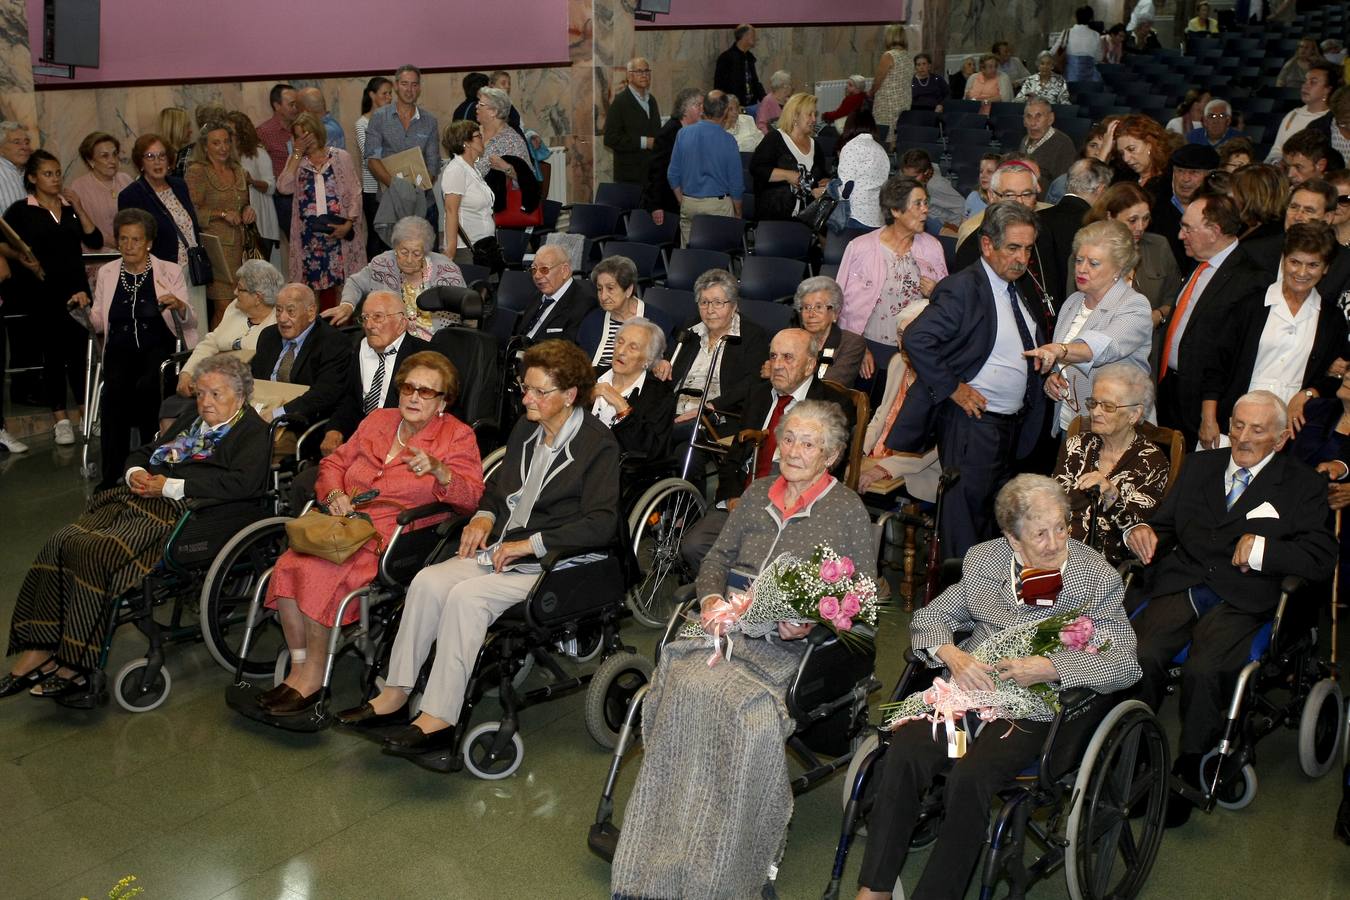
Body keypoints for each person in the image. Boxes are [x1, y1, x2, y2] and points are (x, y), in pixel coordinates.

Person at [612, 401, 874, 899]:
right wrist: (711, 599)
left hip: (791, 654)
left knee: (745, 718)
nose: (792, 451)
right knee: (682, 693)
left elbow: (862, 601)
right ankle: (654, 860)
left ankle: (728, 872)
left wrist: (812, 619)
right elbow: (715, 560)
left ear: (833, 456)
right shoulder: (756, 494)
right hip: (722, 635)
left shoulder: (847, 511)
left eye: (808, 443)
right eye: (788, 437)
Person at [855, 474, 1140, 899]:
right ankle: (874, 889)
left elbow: (1125, 663)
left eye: (1061, 527)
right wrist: (953, 655)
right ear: (1011, 538)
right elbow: (930, 619)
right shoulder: (984, 562)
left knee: (969, 779)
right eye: (1039, 533)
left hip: (1037, 711)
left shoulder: (1095, 579)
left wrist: (1051, 667)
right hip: (968, 699)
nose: (1055, 541)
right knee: (909, 752)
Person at [335, 340, 620, 752]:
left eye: (539, 392)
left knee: (467, 598)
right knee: (428, 582)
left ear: (570, 396)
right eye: (526, 388)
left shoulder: (598, 445)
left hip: (557, 562)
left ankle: (439, 718)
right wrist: (485, 516)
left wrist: (530, 545)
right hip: (504, 547)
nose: (527, 398)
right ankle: (396, 694)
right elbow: (496, 493)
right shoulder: (526, 430)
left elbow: (601, 524)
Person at [1125, 391, 1337, 827]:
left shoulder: (1302, 485)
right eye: (1237, 425)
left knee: (1205, 670)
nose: (1242, 437)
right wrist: (1142, 530)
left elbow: (1321, 557)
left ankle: (1189, 768)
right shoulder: (1202, 466)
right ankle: (1135, 753)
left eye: (1257, 430)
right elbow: (1163, 525)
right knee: (1141, 654)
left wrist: (1263, 549)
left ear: (1279, 440)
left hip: (1245, 596)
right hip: (1185, 583)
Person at [1, 355, 268, 700]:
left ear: (240, 396)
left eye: (215, 395)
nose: (205, 402)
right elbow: (145, 451)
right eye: (201, 394)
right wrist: (136, 473)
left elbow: (244, 486)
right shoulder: (191, 419)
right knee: (62, 541)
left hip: (189, 515)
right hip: (140, 501)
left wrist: (170, 487)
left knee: (95, 552)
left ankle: (76, 666)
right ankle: (40, 649)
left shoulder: (252, 431)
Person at [256, 351, 484, 714]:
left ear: (443, 401)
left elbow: (471, 499)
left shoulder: (456, 437)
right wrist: (333, 494)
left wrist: (441, 472)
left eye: (427, 392)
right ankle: (298, 668)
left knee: (318, 572)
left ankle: (313, 677)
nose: (413, 397)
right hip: (342, 524)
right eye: (409, 387)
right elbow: (334, 462)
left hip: (393, 537)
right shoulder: (379, 420)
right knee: (289, 564)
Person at [887, 202, 1048, 557]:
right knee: (964, 531)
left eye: (1027, 249)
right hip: (972, 425)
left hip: (1010, 428)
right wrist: (953, 388)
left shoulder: (1018, 287)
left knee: (994, 528)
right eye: (1013, 248)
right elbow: (917, 338)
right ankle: (954, 606)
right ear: (987, 245)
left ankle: (985, 605)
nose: (1022, 258)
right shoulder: (964, 287)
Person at [1201, 223, 1346, 447]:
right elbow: (1216, 365)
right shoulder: (1251, 305)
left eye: (1313, 265)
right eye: (1295, 262)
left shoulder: (1332, 320)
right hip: (1232, 425)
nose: (1301, 272)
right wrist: (1208, 418)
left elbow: (1333, 378)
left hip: (1287, 433)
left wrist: (1309, 393)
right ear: (1283, 260)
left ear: (1326, 268)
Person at [81, 207, 196, 486]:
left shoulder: (168, 271)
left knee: (148, 387)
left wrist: (179, 306)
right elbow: (97, 323)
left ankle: (149, 468)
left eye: (135, 239)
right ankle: (112, 477)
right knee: (113, 394)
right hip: (119, 350)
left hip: (158, 347)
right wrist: (82, 310)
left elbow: (190, 319)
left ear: (149, 243)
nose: (128, 245)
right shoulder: (107, 272)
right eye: (123, 239)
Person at [1, 150, 102, 445]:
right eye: (47, 174)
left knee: (79, 354)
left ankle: (87, 414)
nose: (55, 179)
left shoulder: (69, 208)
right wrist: (20, 255)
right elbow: (4, 244)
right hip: (42, 293)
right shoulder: (21, 210)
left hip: (77, 291)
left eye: (57, 173)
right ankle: (61, 419)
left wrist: (80, 207)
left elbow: (93, 240)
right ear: (32, 178)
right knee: (54, 356)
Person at [1028, 218, 1152, 437]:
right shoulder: (1073, 302)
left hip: (1117, 430)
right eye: (1078, 260)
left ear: (1119, 268)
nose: (1081, 269)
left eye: (1093, 263)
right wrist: (1054, 379)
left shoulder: (1134, 305)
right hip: (1071, 424)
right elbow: (1065, 366)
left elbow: (1104, 348)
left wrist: (1060, 349)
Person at [1157, 192, 1263, 446]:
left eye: (1188, 229)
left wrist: (1211, 413)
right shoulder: (1201, 264)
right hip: (1169, 389)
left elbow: (1233, 356)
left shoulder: (1249, 280)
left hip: (1201, 406)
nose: (1181, 235)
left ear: (1214, 231)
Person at [1052, 361, 1168, 566]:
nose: (1095, 412)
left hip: (1104, 566)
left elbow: (1136, 532)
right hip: (1054, 550)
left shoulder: (1152, 462)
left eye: (1107, 406)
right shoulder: (1077, 445)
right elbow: (1055, 502)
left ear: (1134, 415)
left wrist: (1111, 495)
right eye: (1093, 403)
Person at [838, 175, 948, 383]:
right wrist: (856, 348)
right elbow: (841, 304)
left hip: (917, 353)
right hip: (869, 350)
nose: (925, 209)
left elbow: (949, 304)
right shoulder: (860, 248)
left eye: (926, 203)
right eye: (917, 204)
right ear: (895, 211)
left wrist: (937, 293)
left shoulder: (932, 248)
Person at [163, 259, 281, 427]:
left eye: (240, 289)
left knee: (189, 415)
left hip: (243, 391)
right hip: (211, 383)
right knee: (170, 407)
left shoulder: (277, 322)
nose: (234, 292)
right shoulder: (235, 308)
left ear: (258, 297)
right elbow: (210, 342)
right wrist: (187, 373)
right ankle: (173, 452)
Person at [319, 290, 431, 456]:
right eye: (365, 318)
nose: (369, 325)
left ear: (401, 323)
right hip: (359, 442)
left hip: (400, 446)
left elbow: (426, 415)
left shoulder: (424, 357)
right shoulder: (359, 348)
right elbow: (350, 399)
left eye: (378, 317)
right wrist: (335, 429)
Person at [1083, 182, 1181, 372]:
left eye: (1145, 219)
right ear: (1110, 216)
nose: (1140, 227)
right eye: (1132, 220)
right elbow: (1078, 308)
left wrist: (1158, 315)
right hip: (1098, 356)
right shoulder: (1086, 251)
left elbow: (1175, 297)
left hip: (1146, 358)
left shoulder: (1159, 247)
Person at [656, 268, 770, 427]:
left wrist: (711, 407)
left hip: (717, 416)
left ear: (734, 305)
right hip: (674, 410)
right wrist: (664, 363)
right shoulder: (691, 328)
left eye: (718, 303)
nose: (710, 310)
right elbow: (670, 360)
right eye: (704, 302)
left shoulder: (752, 335)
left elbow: (752, 383)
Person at [276, 112, 365, 312]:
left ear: (318, 132)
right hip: (309, 237)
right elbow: (283, 187)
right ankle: (315, 332)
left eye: (309, 135)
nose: (306, 141)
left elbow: (355, 192)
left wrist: (348, 223)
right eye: (300, 137)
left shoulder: (340, 157)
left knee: (344, 284)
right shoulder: (297, 162)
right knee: (310, 289)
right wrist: (296, 154)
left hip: (339, 230)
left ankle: (345, 329)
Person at [325, 216, 465, 337]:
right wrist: (347, 304)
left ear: (426, 251)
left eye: (416, 254)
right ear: (395, 248)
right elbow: (355, 282)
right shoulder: (383, 264)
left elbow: (462, 306)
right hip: (392, 340)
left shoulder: (446, 271)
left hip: (435, 342)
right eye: (403, 252)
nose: (409, 259)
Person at [119, 134, 206, 327]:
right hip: (162, 275)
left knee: (196, 327)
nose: (157, 162)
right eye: (150, 156)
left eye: (161, 156)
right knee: (170, 328)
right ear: (140, 163)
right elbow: (133, 241)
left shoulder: (179, 185)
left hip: (192, 270)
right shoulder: (132, 195)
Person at [858, 300, 940, 498]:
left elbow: (934, 448)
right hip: (877, 457)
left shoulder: (943, 377)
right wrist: (858, 452)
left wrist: (885, 468)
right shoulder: (897, 363)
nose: (903, 343)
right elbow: (880, 418)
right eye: (901, 334)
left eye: (912, 334)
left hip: (918, 472)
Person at [184, 119, 254, 326]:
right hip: (216, 250)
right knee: (224, 308)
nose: (223, 147)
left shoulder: (239, 170)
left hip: (242, 250)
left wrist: (248, 211)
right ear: (205, 147)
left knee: (241, 306)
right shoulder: (198, 172)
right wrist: (221, 214)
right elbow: (191, 212)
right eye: (216, 143)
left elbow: (244, 204)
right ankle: (216, 356)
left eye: (226, 142)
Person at [249, 283, 351, 425]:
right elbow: (255, 379)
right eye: (278, 310)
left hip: (302, 421)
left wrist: (278, 415)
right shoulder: (268, 336)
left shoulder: (333, 343)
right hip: (261, 413)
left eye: (291, 311)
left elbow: (324, 395)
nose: (282, 318)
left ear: (311, 312)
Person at [1035, 158, 1113, 314]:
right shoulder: (1098, 228)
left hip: (1040, 310)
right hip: (1081, 311)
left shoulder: (1037, 219)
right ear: (1101, 190)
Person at [667, 90, 744, 245]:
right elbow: (736, 183)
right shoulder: (728, 141)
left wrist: (682, 200)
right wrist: (737, 212)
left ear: (703, 109)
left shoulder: (683, 134)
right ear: (724, 112)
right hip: (718, 207)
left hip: (689, 203)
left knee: (690, 258)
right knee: (716, 257)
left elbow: (672, 174)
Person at [365, 65, 441, 224]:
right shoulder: (379, 118)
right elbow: (372, 159)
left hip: (424, 205)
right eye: (405, 84)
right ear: (396, 86)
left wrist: (415, 193)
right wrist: (399, 189)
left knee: (426, 249)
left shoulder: (430, 121)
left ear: (419, 88)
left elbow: (433, 164)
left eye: (414, 84)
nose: (409, 89)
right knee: (394, 249)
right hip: (390, 204)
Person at [590, 318, 674, 459]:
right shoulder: (589, 377)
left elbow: (649, 449)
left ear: (648, 359)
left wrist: (621, 406)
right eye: (620, 342)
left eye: (633, 347)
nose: (621, 351)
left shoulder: (659, 395)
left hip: (615, 472)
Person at [578, 255, 672, 368]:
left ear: (628, 290)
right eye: (599, 289)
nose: (603, 297)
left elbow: (663, 365)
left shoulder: (657, 322)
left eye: (610, 288)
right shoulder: (592, 320)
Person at [750, 92, 827, 221]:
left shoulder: (815, 145)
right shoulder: (774, 139)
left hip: (807, 218)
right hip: (775, 216)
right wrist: (787, 175)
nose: (814, 119)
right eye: (809, 114)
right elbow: (757, 169)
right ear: (795, 116)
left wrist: (825, 183)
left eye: (815, 114)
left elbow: (821, 176)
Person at [1149, 143, 1220, 270]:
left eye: (1194, 173)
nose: (1185, 179)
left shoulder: (1219, 209)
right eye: (1180, 171)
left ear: (1210, 176)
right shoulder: (1153, 202)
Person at [507, 244, 594, 345]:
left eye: (544, 269)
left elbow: (566, 352)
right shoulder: (538, 295)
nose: (537, 276)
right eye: (534, 270)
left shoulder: (584, 305)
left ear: (564, 271)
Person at [642, 87, 702, 228]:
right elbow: (657, 170)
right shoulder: (670, 132)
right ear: (685, 109)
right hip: (668, 201)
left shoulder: (695, 130)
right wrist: (655, 205)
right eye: (698, 105)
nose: (702, 109)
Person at [439, 120, 495, 268]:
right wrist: (450, 250)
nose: (482, 138)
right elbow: (451, 211)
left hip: (483, 244)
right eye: (478, 135)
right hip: (466, 248)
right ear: (466, 142)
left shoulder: (472, 169)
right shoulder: (456, 170)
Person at [228, 111, 281, 263]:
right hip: (238, 224)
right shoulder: (226, 156)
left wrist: (251, 181)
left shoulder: (258, 153)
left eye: (232, 132)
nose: (229, 137)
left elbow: (271, 187)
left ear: (242, 133)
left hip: (261, 222)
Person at [66, 132, 134, 250]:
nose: (112, 160)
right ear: (90, 161)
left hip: (129, 250)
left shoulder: (126, 180)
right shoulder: (79, 186)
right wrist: (113, 242)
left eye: (114, 154)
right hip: (98, 253)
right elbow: (81, 226)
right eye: (105, 156)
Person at [794, 276, 865, 388]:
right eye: (806, 307)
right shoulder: (791, 338)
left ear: (835, 313)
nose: (811, 314)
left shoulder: (851, 343)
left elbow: (831, 386)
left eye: (818, 307)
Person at [604, 58, 661, 186]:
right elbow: (610, 138)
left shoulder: (651, 100)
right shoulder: (620, 102)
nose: (644, 75)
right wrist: (644, 142)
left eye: (647, 71)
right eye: (639, 71)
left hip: (651, 173)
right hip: (629, 176)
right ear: (630, 76)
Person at [1268, 62, 1338, 163]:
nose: (1305, 85)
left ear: (1327, 89)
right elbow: (1277, 149)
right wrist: (1277, 162)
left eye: (1313, 82)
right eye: (1305, 81)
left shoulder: (1332, 120)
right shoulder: (1293, 115)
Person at [254, 84, 299, 240]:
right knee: (295, 240)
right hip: (282, 198)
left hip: (305, 194)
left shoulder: (301, 127)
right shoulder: (264, 132)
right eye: (291, 104)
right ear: (277, 105)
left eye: (297, 104)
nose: (295, 108)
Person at [354, 75, 393, 254]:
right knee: (376, 235)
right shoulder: (362, 124)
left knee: (391, 236)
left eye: (390, 94)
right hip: (373, 190)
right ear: (372, 95)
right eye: (384, 93)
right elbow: (369, 155)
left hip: (391, 187)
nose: (389, 97)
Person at [837, 109, 893, 231]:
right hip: (878, 218)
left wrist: (830, 191)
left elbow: (846, 188)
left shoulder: (850, 147)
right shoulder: (881, 151)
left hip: (856, 216)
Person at [473, 86, 531, 184]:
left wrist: (508, 169)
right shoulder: (473, 133)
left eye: (481, 104)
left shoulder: (512, 141)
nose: (476, 106)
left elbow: (529, 181)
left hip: (498, 198)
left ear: (494, 112)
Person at [899, 149, 966, 233]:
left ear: (926, 172)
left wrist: (960, 230)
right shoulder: (915, 176)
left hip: (946, 225)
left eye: (913, 177)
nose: (908, 180)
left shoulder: (935, 185)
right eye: (905, 176)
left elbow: (963, 206)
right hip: (929, 218)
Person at [1112, 114, 1174, 199]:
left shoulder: (1169, 181)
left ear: (1150, 144)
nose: (1126, 159)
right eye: (1122, 153)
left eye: (1131, 149)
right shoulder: (1124, 177)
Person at [1020, 98, 1078, 189]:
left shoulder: (1063, 144)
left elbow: (1063, 186)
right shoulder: (1024, 141)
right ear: (1024, 121)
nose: (1033, 123)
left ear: (1051, 119)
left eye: (1038, 116)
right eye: (1028, 117)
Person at [871, 24, 914, 138]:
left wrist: (870, 93)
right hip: (904, 100)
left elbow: (878, 80)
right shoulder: (908, 56)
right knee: (897, 134)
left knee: (884, 134)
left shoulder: (889, 55)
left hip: (888, 102)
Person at [713, 24, 766, 110]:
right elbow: (719, 86)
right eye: (753, 35)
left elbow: (755, 82)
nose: (756, 39)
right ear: (745, 36)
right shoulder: (726, 58)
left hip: (752, 105)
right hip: (734, 108)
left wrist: (765, 101)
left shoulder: (749, 57)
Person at [1060, 5, 1104, 83]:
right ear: (1090, 19)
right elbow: (1099, 58)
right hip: (1090, 78)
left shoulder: (1067, 32)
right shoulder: (1096, 35)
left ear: (1075, 17)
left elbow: (1053, 52)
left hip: (1070, 77)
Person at [296, 87, 345, 151]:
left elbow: (316, 159)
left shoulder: (325, 130)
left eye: (297, 107)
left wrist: (297, 150)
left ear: (305, 110)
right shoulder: (332, 123)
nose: (295, 111)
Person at [963, 152, 1003, 220]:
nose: (983, 175)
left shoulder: (1007, 201)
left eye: (989, 171)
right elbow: (963, 226)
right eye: (981, 171)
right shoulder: (973, 196)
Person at [157, 107, 194, 178]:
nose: (191, 131)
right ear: (176, 128)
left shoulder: (179, 154)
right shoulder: (164, 158)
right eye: (187, 126)